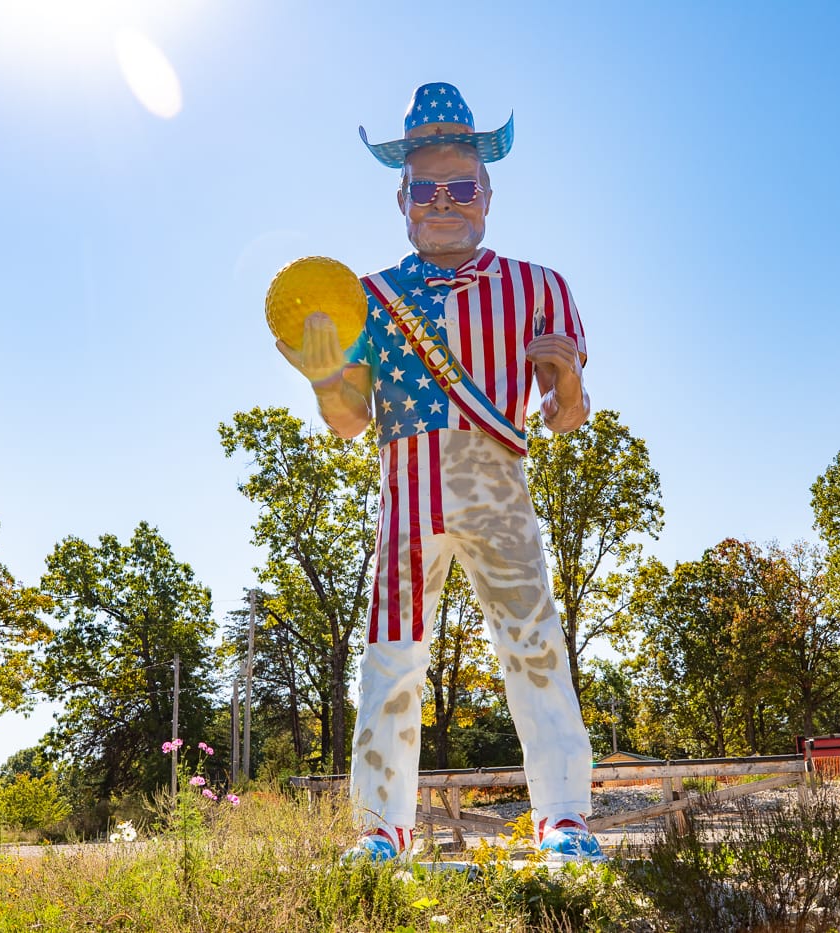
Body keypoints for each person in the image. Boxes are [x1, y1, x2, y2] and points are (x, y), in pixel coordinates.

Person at [276, 82, 601, 863]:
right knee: (392, 653)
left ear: (488, 192)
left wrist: (571, 389)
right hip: (407, 493)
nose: (445, 201)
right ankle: (382, 824)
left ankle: (564, 817)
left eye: (461, 186)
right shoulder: (370, 299)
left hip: (500, 488)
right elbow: (351, 418)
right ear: (403, 198)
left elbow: (566, 415)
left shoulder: (540, 286)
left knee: (535, 646)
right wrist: (325, 376)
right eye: (429, 188)